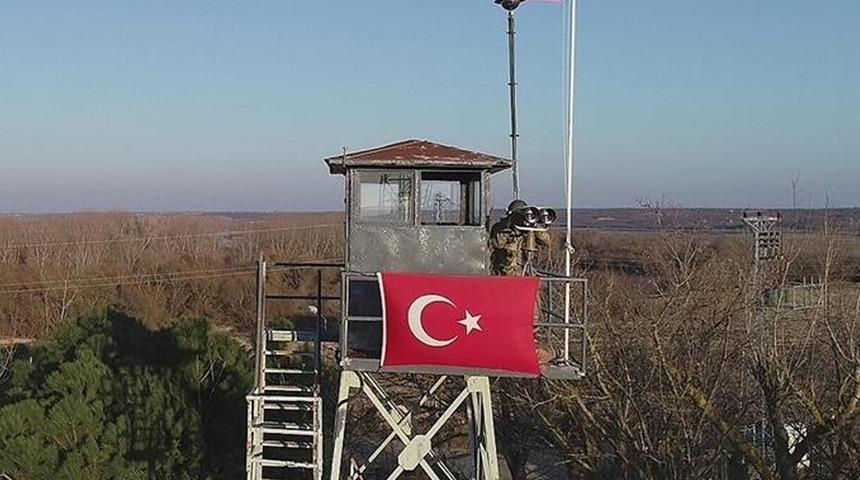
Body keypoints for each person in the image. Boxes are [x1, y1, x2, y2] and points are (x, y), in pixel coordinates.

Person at [489, 199, 550, 276]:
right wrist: (508, 226)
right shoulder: (501, 227)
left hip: (522, 271)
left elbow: (546, 241)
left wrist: (534, 225)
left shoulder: (527, 230)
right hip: (503, 271)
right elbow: (497, 243)